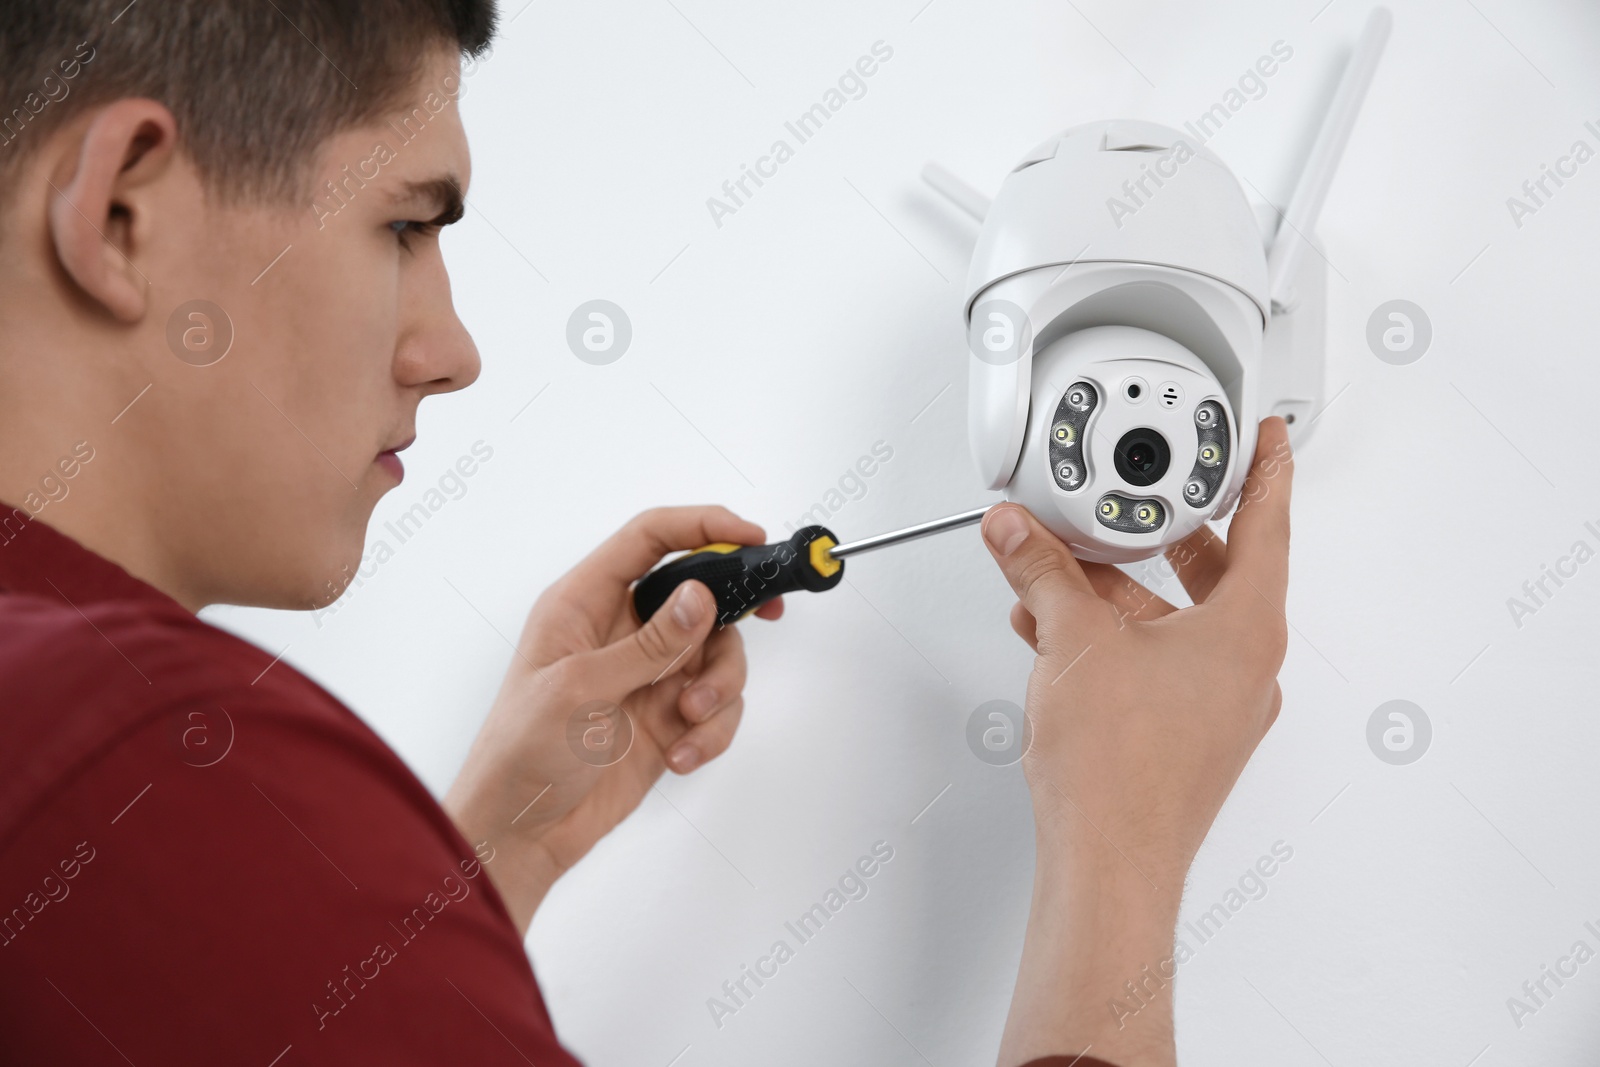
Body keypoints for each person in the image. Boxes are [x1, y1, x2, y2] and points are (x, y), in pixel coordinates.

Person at [0, 2, 1293, 1065]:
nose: (452, 354)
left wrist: (501, 841)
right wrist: (1124, 847)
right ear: (123, 210)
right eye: (403, 225)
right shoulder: (136, 772)